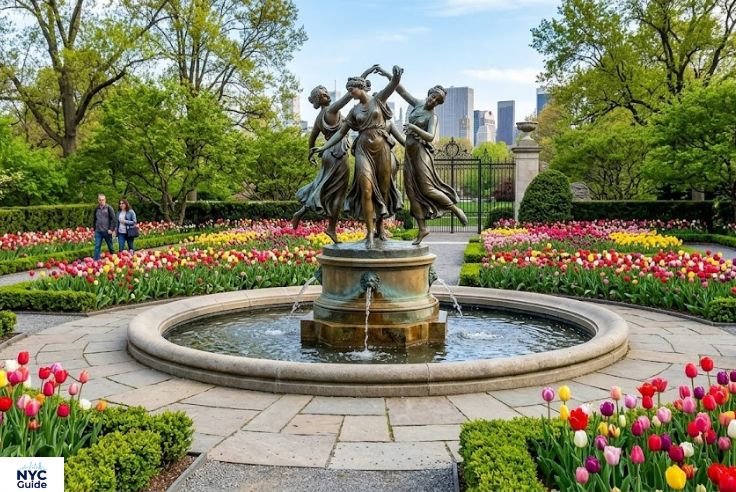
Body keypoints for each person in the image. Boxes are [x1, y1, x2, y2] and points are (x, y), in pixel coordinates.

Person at [375, 67, 468, 245]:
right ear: (429, 94)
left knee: (426, 189)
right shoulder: (417, 103)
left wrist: (414, 128)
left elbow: (431, 136)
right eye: (433, 96)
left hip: (421, 154)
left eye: (437, 101)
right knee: (412, 193)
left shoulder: (433, 117)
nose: (433, 101)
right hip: (409, 154)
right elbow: (400, 90)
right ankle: (422, 227)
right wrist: (391, 76)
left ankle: (455, 209)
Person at [314, 65, 404, 248]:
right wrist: (324, 147)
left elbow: (393, 85)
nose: (350, 93)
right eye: (348, 90)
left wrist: (393, 75)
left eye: (351, 89)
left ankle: (380, 229)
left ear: (360, 87)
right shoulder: (354, 111)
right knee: (366, 188)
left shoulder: (378, 100)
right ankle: (369, 233)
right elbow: (340, 133)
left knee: (384, 190)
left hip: (382, 149)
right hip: (363, 149)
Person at [293, 65, 381, 243]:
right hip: (337, 154)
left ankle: (301, 213)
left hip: (328, 154)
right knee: (338, 194)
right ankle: (331, 229)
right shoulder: (332, 110)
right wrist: (363, 76)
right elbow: (350, 94)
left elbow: (312, 138)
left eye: (326, 93)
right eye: (323, 94)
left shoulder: (319, 118)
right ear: (319, 99)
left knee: (324, 187)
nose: (327, 95)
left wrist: (311, 153)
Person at [93, 194, 116, 260]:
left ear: (105, 200)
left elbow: (113, 219)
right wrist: (94, 228)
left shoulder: (109, 208)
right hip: (98, 231)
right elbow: (94, 219)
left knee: (110, 246)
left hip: (107, 231)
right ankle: (96, 261)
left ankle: (113, 258)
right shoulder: (96, 209)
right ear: (98, 200)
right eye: (100, 200)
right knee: (97, 246)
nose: (101, 201)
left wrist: (111, 229)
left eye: (102, 200)